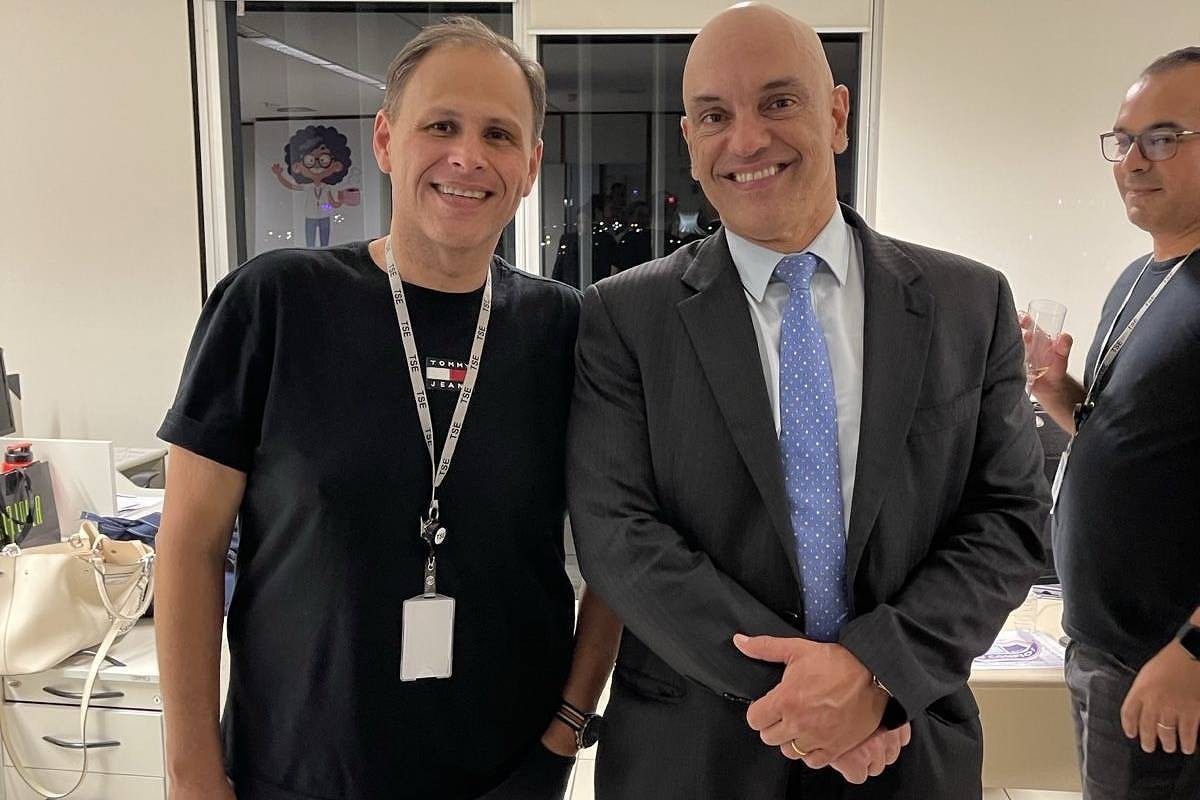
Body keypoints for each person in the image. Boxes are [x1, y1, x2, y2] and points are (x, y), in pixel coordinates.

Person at [566, 3, 1049, 798]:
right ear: (689, 142)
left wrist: (876, 675)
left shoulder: (968, 302)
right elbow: (616, 535)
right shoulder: (623, 317)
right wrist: (812, 702)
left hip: (907, 744)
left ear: (837, 115)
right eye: (714, 115)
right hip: (694, 756)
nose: (747, 139)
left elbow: (1010, 517)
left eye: (779, 101)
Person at [155, 17, 620, 800]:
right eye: (441, 125)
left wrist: (565, 734)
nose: (467, 156)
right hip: (295, 772)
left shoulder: (567, 330)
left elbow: (621, 549)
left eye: (499, 134)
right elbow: (190, 545)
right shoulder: (274, 303)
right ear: (385, 140)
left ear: (532, 166)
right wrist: (192, 772)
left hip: (505, 775)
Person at [1031, 47, 1200, 799]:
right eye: (1124, 140)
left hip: (1167, 664)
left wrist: (1193, 652)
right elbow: (1135, 442)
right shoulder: (1141, 277)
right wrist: (1058, 393)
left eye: (1163, 138)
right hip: (1103, 646)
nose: (1132, 161)